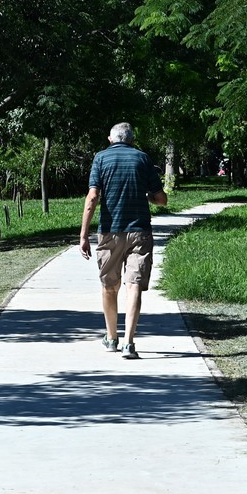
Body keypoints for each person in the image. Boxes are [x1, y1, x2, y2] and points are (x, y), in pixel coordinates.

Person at [79, 122, 167, 359]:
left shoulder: (100, 159)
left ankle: (111, 338)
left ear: (111, 139)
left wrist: (84, 235)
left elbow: (92, 197)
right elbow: (161, 199)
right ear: (131, 139)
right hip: (139, 231)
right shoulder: (143, 158)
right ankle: (129, 342)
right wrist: (148, 196)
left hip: (109, 232)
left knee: (109, 285)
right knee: (134, 284)